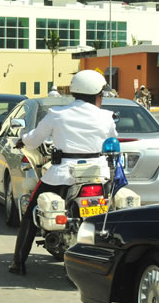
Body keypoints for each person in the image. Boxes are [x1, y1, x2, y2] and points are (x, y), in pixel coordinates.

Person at [9, 70, 117, 275]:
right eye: (101, 94)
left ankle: (18, 263)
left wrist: (22, 139)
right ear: (95, 93)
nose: (102, 98)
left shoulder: (57, 114)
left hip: (63, 174)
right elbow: (113, 138)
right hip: (98, 174)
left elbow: (33, 140)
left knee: (32, 212)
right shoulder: (106, 117)